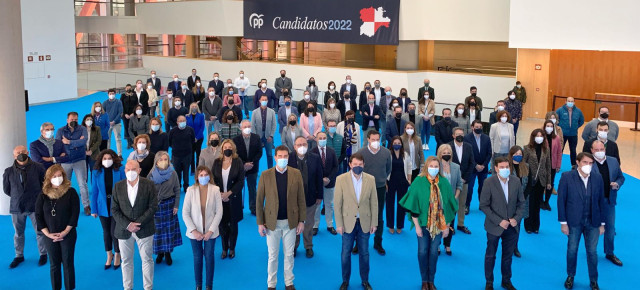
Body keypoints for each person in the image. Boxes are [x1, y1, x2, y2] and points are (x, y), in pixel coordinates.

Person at [401, 155, 457, 290]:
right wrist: (416, 227)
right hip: (422, 224)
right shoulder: (418, 181)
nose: (433, 169)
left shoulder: (444, 183)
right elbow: (412, 205)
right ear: (426, 167)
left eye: (436, 166)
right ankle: (424, 281)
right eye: (431, 166)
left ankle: (431, 281)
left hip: (438, 225)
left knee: (433, 252)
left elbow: (449, 206)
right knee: (422, 251)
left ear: (439, 168)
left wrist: (447, 226)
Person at [256, 145, 306, 290]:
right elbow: (259, 201)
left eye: (285, 156)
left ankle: (289, 282)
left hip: (291, 222)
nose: (283, 159)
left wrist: (301, 221)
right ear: (275, 157)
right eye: (280, 156)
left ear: (288, 158)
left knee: (289, 255)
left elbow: (301, 199)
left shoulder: (296, 174)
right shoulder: (266, 175)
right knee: (273, 256)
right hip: (272, 223)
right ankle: (271, 284)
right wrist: (260, 223)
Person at [557, 153, 606, 290]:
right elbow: (561, 200)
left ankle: (593, 280)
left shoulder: (597, 178)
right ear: (578, 162)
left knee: (592, 252)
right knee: (572, 250)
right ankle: (570, 276)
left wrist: (602, 224)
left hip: (593, 222)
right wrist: (563, 223)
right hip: (574, 222)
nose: (588, 166)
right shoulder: (567, 177)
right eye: (585, 162)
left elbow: (602, 201)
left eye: (591, 163)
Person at [112, 160, 158, 290]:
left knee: (147, 260)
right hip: (124, 231)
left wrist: (138, 223)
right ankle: (128, 287)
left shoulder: (149, 185)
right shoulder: (118, 186)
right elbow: (114, 209)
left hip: (145, 229)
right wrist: (128, 225)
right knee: (126, 261)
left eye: (133, 169)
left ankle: (148, 287)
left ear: (139, 170)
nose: (130, 172)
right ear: (124, 170)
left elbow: (153, 207)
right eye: (127, 169)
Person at [480, 157, 525, 290]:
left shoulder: (516, 181)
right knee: (490, 255)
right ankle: (489, 282)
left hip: (511, 227)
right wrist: (499, 221)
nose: (505, 169)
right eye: (502, 167)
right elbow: (484, 206)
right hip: (494, 226)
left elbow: (521, 203)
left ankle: (506, 280)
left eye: (507, 167)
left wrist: (516, 218)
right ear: (496, 168)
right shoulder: (488, 182)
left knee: (507, 256)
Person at [334, 153, 378, 290]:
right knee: (345, 253)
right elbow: (337, 204)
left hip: (365, 222)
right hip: (347, 223)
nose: (357, 167)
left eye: (360, 165)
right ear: (350, 165)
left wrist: (374, 222)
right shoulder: (341, 179)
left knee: (364, 253)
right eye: (355, 164)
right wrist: (339, 224)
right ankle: (345, 281)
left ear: (363, 165)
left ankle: (365, 280)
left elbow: (374, 202)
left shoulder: (371, 179)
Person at [35, 165, 80, 290]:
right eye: (54, 177)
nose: (57, 178)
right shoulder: (43, 195)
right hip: (49, 235)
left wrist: (65, 232)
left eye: (59, 176)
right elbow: (38, 216)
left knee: (67, 263)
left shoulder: (71, 192)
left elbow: (74, 214)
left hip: (68, 234)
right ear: (49, 179)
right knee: (54, 265)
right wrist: (48, 234)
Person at [3, 145, 47, 268]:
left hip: (35, 205)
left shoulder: (38, 167)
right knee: (18, 233)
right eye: (18, 152)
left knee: (40, 231)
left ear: (27, 152)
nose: (21, 154)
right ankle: (19, 255)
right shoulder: (8, 172)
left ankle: (43, 254)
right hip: (17, 207)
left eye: (23, 151)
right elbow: (7, 190)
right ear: (14, 156)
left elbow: (44, 185)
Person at [183, 165, 223, 290]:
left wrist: (211, 231)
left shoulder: (215, 190)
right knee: (197, 258)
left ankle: (209, 285)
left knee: (209, 257)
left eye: (206, 175)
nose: (204, 177)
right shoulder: (190, 190)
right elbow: (185, 213)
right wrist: (194, 231)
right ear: (196, 177)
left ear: (210, 176)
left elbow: (219, 212)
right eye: (201, 175)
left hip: (211, 232)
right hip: (194, 233)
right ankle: (198, 285)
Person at [356, 130, 392, 255]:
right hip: (364, 188)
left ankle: (378, 243)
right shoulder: (361, 153)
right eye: (373, 139)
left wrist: (382, 179)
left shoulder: (386, 152)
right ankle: (358, 243)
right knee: (361, 215)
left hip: (380, 188)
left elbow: (388, 169)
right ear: (368, 139)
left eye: (378, 139)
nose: (376, 142)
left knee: (379, 217)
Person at [590, 140, 625, 267]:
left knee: (610, 229)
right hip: (593, 203)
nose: (600, 152)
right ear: (592, 150)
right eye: (597, 150)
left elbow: (621, 177)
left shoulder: (613, 161)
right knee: (593, 229)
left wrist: (617, 184)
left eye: (602, 149)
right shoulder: (588, 163)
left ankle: (609, 253)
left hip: (609, 201)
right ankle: (591, 252)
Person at [288, 137, 324, 258]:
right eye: (299, 144)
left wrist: (320, 195)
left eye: (304, 144)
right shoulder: (288, 158)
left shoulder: (315, 158)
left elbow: (319, 177)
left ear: (307, 146)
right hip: (293, 200)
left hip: (310, 197)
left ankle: (308, 246)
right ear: (294, 146)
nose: (301, 146)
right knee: (294, 224)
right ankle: (294, 246)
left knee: (308, 224)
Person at [90, 149, 125, 269]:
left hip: (116, 205)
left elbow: (124, 188)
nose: (107, 161)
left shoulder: (120, 170)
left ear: (113, 159)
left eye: (109, 158)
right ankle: (109, 254)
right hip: (102, 206)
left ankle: (118, 254)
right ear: (101, 160)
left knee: (114, 231)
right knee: (106, 232)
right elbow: (94, 191)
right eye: (104, 159)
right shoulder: (96, 172)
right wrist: (93, 209)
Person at [147, 151, 182, 266]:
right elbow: (147, 193)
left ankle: (168, 253)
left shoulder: (173, 173)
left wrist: (176, 205)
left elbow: (177, 190)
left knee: (168, 231)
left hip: (169, 205)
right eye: (161, 160)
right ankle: (160, 253)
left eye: (165, 159)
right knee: (158, 231)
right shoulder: (151, 175)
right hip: (156, 206)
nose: (163, 162)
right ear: (156, 162)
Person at [212, 140, 245, 259]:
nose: (227, 149)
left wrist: (229, 193)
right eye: (225, 147)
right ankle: (224, 248)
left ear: (233, 149)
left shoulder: (238, 161)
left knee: (233, 225)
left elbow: (241, 181)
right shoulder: (217, 162)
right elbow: (213, 179)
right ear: (222, 149)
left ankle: (232, 248)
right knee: (222, 225)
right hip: (219, 198)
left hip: (233, 198)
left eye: (229, 147)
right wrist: (220, 193)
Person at [56, 112, 91, 216]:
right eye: (72, 120)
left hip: (79, 160)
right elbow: (58, 144)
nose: (74, 121)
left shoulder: (82, 129)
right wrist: (76, 142)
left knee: (82, 184)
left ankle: (86, 205)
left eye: (75, 120)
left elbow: (83, 142)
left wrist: (69, 142)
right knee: (64, 184)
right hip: (65, 161)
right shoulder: (60, 130)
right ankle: (65, 205)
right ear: (67, 120)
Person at [522, 129, 552, 234]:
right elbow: (523, 164)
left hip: (541, 180)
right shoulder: (527, 148)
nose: (539, 137)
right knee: (529, 203)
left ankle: (536, 225)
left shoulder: (546, 149)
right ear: (533, 137)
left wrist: (549, 182)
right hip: (530, 180)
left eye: (541, 135)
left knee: (537, 204)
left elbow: (548, 166)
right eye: (537, 135)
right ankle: (528, 225)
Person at [436, 145, 463, 256]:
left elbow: (459, 185)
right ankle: (437, 244)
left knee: (450, 224)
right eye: (444, 152)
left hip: (452, 202)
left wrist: (454, 198)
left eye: (448, 152)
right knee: (438, 223)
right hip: (438, 201)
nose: (446, 154)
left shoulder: (456, 167)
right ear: (440, 153)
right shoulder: (436, 166)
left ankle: (447, 245)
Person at [312, 132, 340, 235]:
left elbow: (335, 167)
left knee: (329, 204)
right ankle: (315, 226)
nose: (322, 139)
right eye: (320, 138)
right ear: (317, 139)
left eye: (324, 138)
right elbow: (312, 169)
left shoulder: (331, 151)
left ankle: (330, 225)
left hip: (330, 182)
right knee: (317, 205)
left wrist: (329, 178)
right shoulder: (312, 152)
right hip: (317, 184)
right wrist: (320, 179)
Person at [233, 120, 263, 215]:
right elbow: (235, 154)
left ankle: (253, 207)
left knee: (252, 188)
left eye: (249, 126)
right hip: (240, 168)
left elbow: (259, 152)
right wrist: (243, 164)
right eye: (245, 127)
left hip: (253, 167)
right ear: (241, 128)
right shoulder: (235, 140)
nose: (247, 128)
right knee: (238, 188)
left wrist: (251, 163)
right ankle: (237, 207)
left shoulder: (256, 137)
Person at [449, 127, 475, 234]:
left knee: (462, 203)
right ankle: (450, 225)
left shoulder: (468, 146)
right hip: (451, 181)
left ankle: (460, 224)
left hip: (464, 180)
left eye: (461, 134)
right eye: (457, 134)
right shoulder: (448, 147)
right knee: (451, 203)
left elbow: (471, 163)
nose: (460, 136)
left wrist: (465, 178)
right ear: (453, 136)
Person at [464, 120, 492, 215]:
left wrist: (484, 165)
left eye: (480, 127)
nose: (478, 128)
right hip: (471, 167)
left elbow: (489, 153)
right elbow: (467, 154)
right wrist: (476, 165)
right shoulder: (467, 138)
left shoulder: (486, 138)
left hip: (483, 167)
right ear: (472, 127)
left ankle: (482, 205)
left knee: (483, 187)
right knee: (470, 188)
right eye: (476, 127)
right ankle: (466, 205)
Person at [386, 137, 411, 234]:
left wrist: (409, 179)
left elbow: (409, 167)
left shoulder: (405, 154)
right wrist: (385, 182)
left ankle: (400, 225)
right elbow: (384, 168)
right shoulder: (388, 154)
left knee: (401, 204)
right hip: (390, 181)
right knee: (389, 204)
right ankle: (391, 225)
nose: (397, 144)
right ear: (392, 144)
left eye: (399, 143)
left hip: (402, 182)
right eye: (395, 143)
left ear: (401, 144)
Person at [508, 146, 529, 258]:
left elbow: (530, 184)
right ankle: (507, 245)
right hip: (509, 201)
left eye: (520, 153)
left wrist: (522, 197)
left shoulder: (526, 167)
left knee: (517, 225)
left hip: (522, 202)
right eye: (516, 153)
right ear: (511, 155)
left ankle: (515, 247)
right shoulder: (507, 168)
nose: (518, 155)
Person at [169, 115, 196, 192]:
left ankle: (186, 186)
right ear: (177, 122)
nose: (182, 122)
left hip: (187, 155)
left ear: (186, 121)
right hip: (176, 155)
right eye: (180, 121)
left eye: (183, 120)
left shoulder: (190, 130)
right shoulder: (172, 131)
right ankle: (178, 186)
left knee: (186, 171)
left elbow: (193, 141)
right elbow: (169, 142)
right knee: (177, 172)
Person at [556, 97, 585, 168]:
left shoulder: (578, 111)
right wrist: (559, 128)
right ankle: (557, 165)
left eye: (572, 101)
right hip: (562, 134)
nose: (570, 102)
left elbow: (581, 121)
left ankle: (574, 165)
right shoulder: (560, 110)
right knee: (560, 150)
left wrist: (575, 127)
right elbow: (556, 120)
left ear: (574, 102)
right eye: (569, 101)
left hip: (573, 134)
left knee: (573, 150)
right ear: (565, 101)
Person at [251, 94, 277, 167]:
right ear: (259, 101)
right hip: (258, 136)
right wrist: (255, 137)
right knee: (257, 155)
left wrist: (271, 136)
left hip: (268, 136)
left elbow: (274, 125)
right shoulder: (254, 112)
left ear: (268, 101)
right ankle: (255, 170)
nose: (264, 101)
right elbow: (252, 125)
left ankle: (270, 170)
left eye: (265, 100)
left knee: (269, 155)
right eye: (263, 100)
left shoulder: (272, 112)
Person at [543, 120, 563, 211]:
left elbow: (559, 152)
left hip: (552, 164)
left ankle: (546, 201)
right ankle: (540, 201)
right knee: (541, 183)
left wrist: (558, 164)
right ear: (544, 126)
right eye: (548, 126)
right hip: (542, 165)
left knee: (550, 183)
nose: (549, 127)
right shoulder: (540, 137)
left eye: (551, 126)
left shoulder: (557, 138)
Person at [104, 88, 124, 156]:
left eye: (113, 94)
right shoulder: (105, 103)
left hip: (117, 123)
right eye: (110, 94)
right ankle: (107, 153)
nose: (111, 95)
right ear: (108, 94)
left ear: (115, 94)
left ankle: (119, 155)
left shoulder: (118, 102)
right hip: (107, 124)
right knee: (107, 139)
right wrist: (107, 122)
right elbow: (103, 113)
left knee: (118, 139)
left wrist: (114, 121)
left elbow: (120, 112)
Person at [187, 103, 205, 174]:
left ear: (197, 107)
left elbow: (202, 127)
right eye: (192, 106)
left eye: (195, 106)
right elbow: (187, 128)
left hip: (199, 138)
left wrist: (197, 137)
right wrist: (192, 137)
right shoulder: (187, 116)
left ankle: (198, 168)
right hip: (190, 139)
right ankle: (192, 169)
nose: (194, 107)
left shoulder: (201, 116)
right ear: (190, 108)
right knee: (191, 154)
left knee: (198, 154)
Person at [82, 114, 102, 180]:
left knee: (94, 171)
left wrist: (91, 150)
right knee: (84, 173)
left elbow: (99, 141)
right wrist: (84, 151)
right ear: (84, 121)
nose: (89, 121)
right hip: (83, 154)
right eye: (87, 119)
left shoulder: (97, 129)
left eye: (91, 120)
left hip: (94, 153)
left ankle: (94, 187)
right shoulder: (80, 130)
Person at [120, 84, 139, 149]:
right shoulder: (123, 96)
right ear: (125, 89)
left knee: (133, 128)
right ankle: (129, 142)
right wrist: (125, 114)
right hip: (125, 115)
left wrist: (133, 113)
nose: (128, 89)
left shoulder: (134, 95)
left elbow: (137, 105)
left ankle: (133, 142)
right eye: (127, 88)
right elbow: (121, 105)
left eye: (129, 88)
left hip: (133, 114)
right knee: (126, 128)